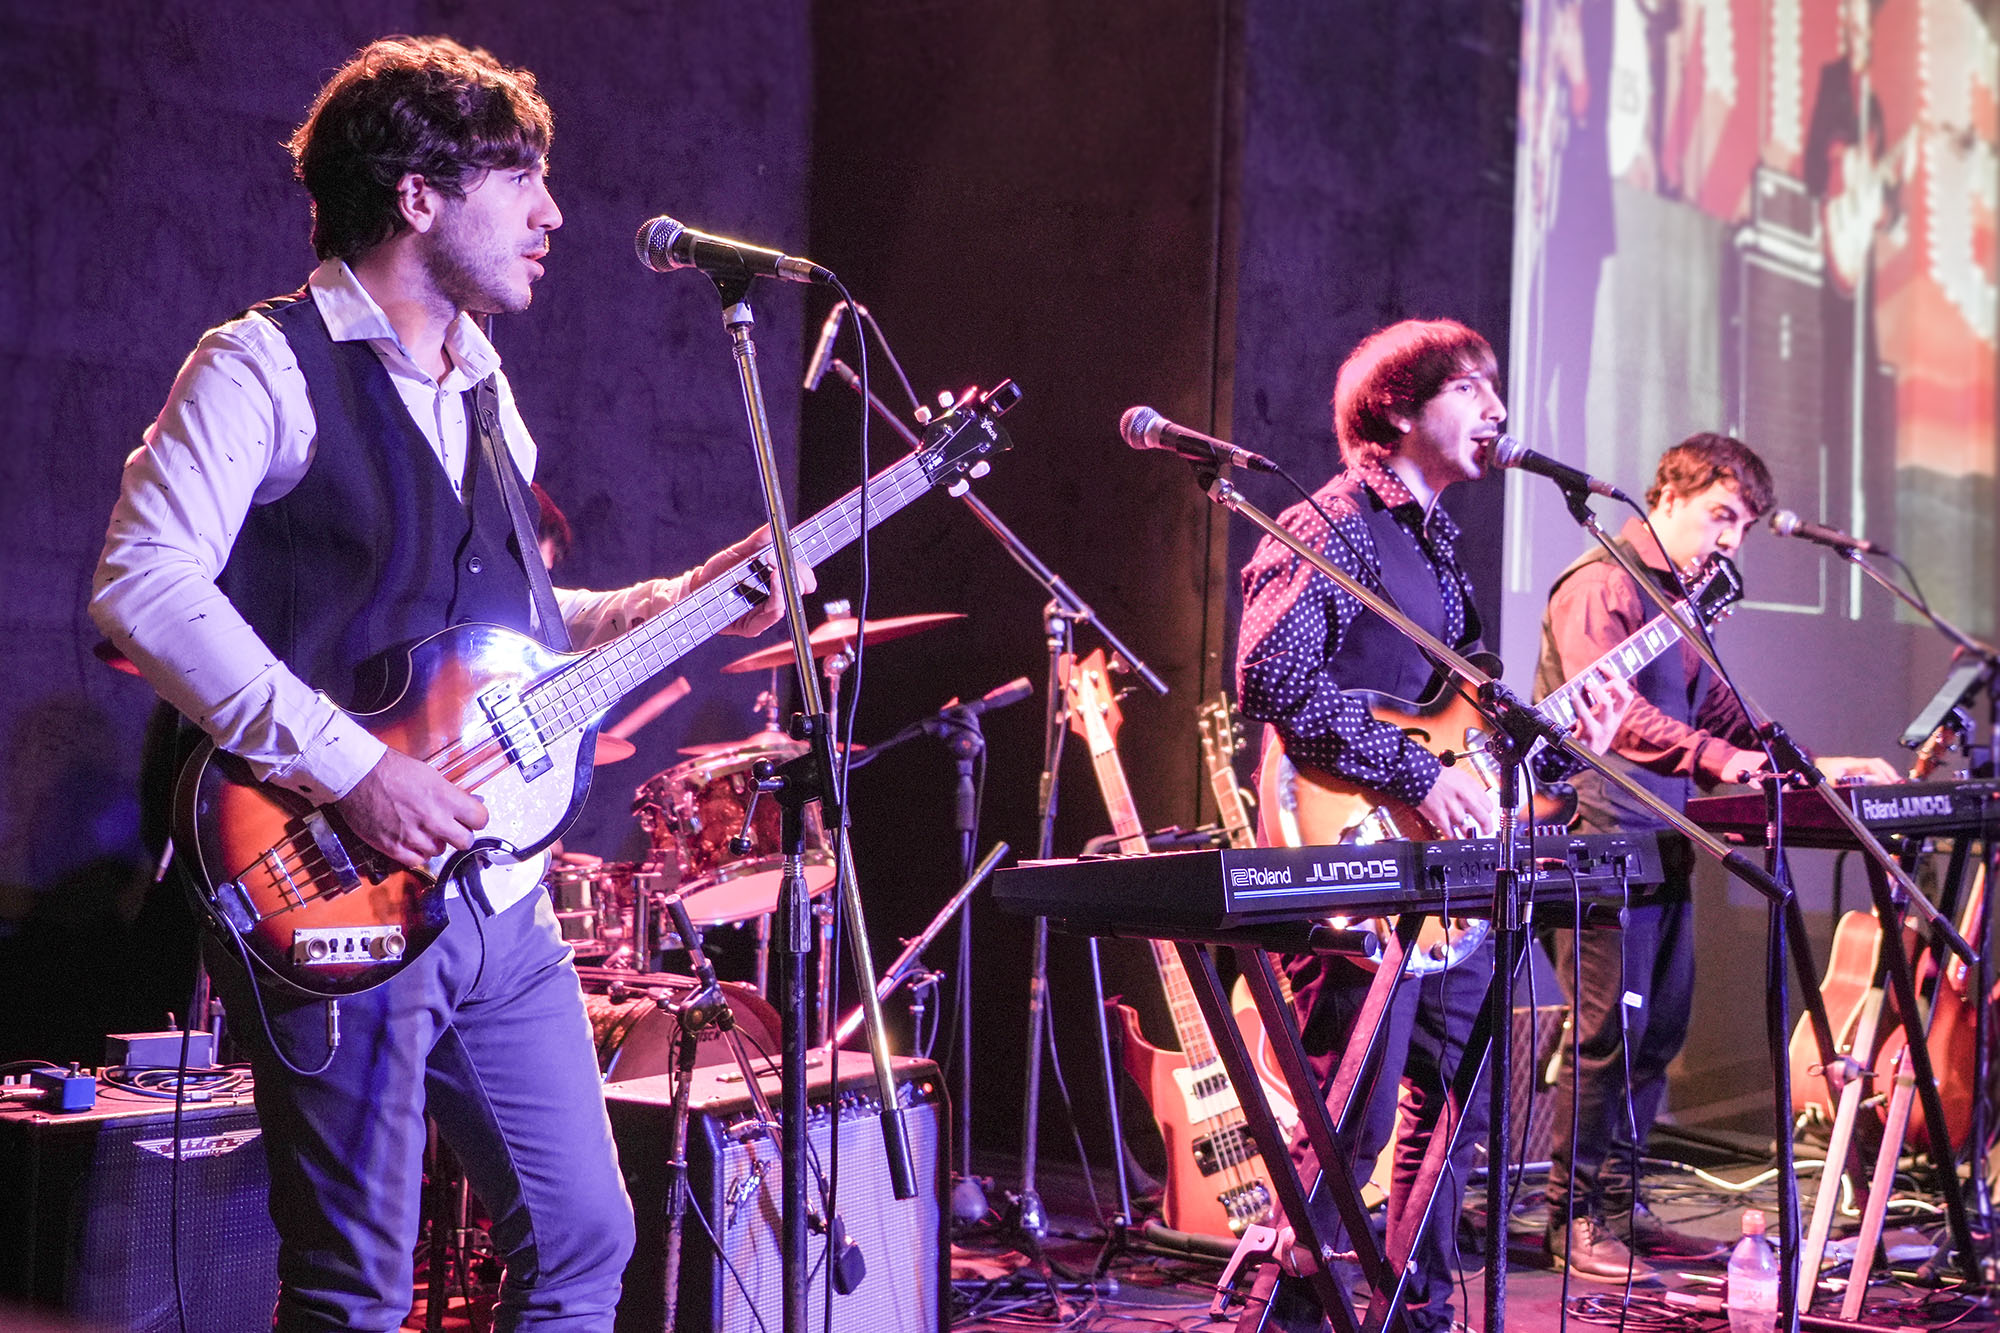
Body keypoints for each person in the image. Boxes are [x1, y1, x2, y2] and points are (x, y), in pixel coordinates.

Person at [89, 36, 805, 1331]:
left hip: (500, 904)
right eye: (520, 177)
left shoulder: (482, 386)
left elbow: (510, 620)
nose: (553, 213)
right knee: (354, 1290)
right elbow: (142, 584)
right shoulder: (262, 364)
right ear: (417, 193)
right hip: (333, 888)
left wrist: (662, 604)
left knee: (585, 1240)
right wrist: (355, 767)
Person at [1237, 317, 1630, 1330]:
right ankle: (1285, 1312)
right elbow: (1270, 676)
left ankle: (1415, 1308)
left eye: (1495, 388)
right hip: (1354, 864)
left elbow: (1466, 745)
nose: (1496, 409)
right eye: (1469, 388)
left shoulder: (1436, 546)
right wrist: (1409, 772)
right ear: (1396, 409)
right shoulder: (1332, 525)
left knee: (1455, 1106)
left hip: (1440, 883)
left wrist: (1554, 744)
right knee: (1349, 1123)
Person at [1533, 432, 1896, 1281]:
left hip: (1663, 838)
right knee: (1606, 1035)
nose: (1731, 538)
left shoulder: (1679, 602)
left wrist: (1810, 765)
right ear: (1668, 493)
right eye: (1721, 514)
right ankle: (1573, 1215)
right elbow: (1616, 713)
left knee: (1657, 1030)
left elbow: (1726, 712)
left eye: (1745, 525)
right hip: (1596, 838)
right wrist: (1717, 758)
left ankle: (1618, 1205)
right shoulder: (1600, 584)